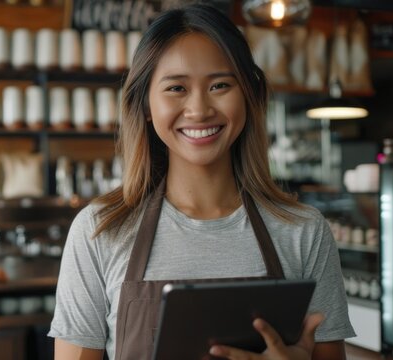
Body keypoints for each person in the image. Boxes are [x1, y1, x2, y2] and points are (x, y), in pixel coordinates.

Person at [48, 3, 355, 360]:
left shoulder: (304, 231)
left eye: (220, 85)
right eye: (176, 88)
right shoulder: (100, 231)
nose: (199, 109)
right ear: (146, 105)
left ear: (250, 95)